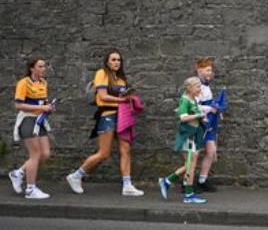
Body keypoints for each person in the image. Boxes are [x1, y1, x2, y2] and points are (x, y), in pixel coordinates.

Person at [65, 49, 144, 196]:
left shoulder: (121, 79)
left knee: (125, 150)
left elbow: (122, 96)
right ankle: (76, 176)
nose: (116, 62)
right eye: (113, 60)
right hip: (107, 115)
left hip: (122, 116)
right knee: (104, 153)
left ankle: (127, 185)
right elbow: (103, 95)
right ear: (107, 61)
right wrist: (122, 100)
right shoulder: (102, 73)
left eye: (119, 60)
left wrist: (129, 97)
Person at [9, 56, 54, 199]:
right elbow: (18, 105)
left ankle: (19, 173)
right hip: (28, 119)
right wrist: (41, 107)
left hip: (39, 121)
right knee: (35, 155)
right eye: (40, 66)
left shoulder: (44, 82)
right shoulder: (23, 83)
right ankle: (30, 189)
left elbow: (43, 102)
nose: (43, 69)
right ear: (32, 68)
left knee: (45, 154)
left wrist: (49, 107)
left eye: (44, 66)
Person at [158, 77, 207, 204]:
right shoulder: (185, 100)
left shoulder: (192, 99)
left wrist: (201, 118)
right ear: (189, 88)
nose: (199, 89)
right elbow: (183, 117)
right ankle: (186, 194)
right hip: (187, 136)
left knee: (190, 165)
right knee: (190, 165)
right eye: (197, 87)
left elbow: (193, 116)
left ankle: (168, 182)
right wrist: (199, 115)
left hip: (193, 135)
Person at [194, 57, 220, 192]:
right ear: (199, 71)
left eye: (211, 70)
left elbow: (209, 103)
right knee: (194, 154)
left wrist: (216, 110)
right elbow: (194, 107)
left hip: (209, 124)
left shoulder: (206, 86)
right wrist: (210, 109)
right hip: (198, 124)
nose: (211, 72)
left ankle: (202, 180)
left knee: (211, 152)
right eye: (208, 70)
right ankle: (188, 183)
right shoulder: (196, 86)